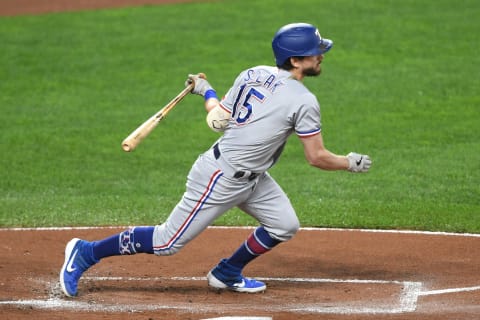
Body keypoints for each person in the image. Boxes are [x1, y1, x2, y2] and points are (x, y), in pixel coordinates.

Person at [59, 22, 372, 297]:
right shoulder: (304, 101)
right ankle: (86, 252)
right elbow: (316, 157)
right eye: (314, 51)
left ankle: (226, 272)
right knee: (167, 242)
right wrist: (350, 162)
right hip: (219, 177)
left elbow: (219, 121)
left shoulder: (254, 73)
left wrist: (207, 91)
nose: (321, 55)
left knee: (284, 225)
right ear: (295, 60)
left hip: (253, 178)